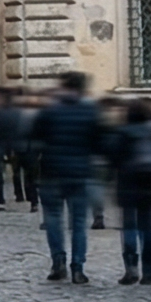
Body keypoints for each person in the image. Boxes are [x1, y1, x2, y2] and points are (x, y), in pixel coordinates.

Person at [33, 71, 102, 284]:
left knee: (53, 219)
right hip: (80, 173)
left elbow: (35, 136)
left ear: (63, 86)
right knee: (79, 223)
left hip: (52, 173)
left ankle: (58, 262)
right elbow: (99, 142)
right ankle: (78, 267)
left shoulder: (49, 110)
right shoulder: (91, 111)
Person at [110, 101, 151, 286]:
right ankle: (149, 272)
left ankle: (131, 268)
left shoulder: (123, 133)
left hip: (128, 184)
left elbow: (113, 158)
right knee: (149, 228)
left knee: (129, 227)